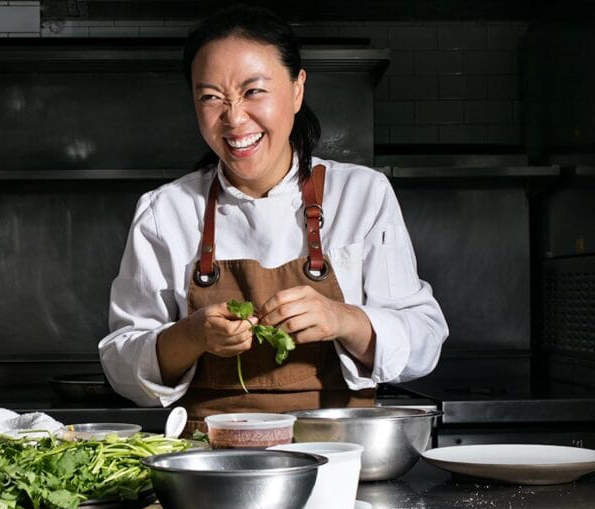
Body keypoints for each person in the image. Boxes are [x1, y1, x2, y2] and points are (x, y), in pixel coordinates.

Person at [98, 5, 448, 432]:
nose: (234, 118)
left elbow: (423, 341)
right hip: (209, 457)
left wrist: (342, 319)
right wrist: (191, 335)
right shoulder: (165, 211)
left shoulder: (361, 195)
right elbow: (120, 363)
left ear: (297, 90)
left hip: (337, 448)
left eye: (253, 91)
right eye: (211, 97)